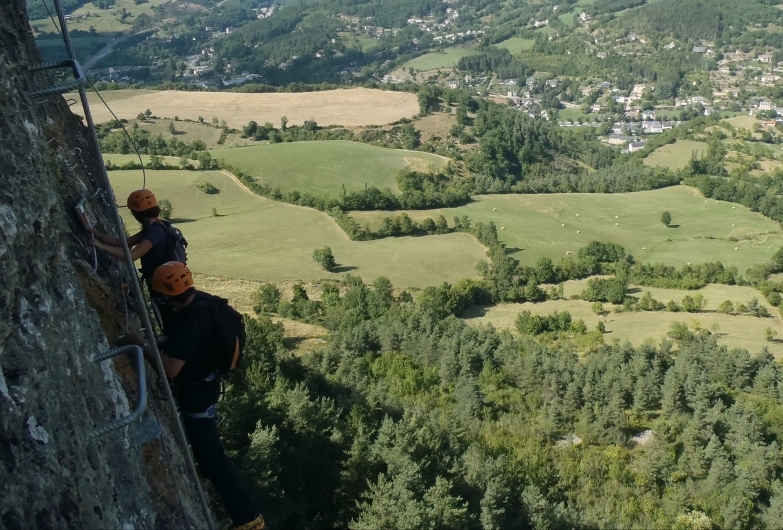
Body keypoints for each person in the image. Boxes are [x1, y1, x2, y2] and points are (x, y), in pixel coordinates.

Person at [122, 262, 264, 530]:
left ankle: (249, 519)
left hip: (198, 394)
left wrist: (139, 345)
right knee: (210, 454)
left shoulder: (192, 317)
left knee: (213, 458)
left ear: (165, 295)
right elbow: (183, 342)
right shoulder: (200, 302)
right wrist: (155, 342)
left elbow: (171, 367)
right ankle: (238, 506)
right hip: (205, 387)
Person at [90, 189, 172, 279]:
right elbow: (126, 242)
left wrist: (101, 246)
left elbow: (131, 256)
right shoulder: (155, 225)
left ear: (136, 213)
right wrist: (100, 236)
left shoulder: (155, 231)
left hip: (163, 282)